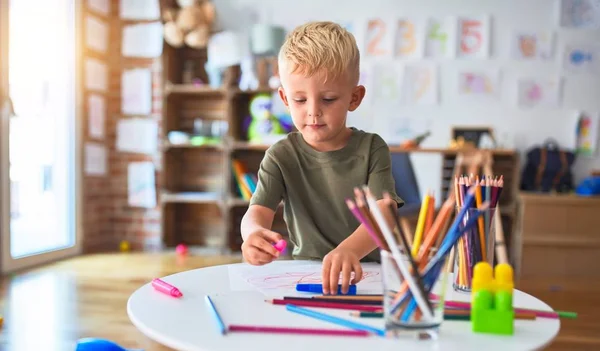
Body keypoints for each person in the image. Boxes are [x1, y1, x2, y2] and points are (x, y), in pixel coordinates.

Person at [240, 21, 404, 295]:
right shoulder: (280, 155)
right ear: (284, 98)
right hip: (304, 274)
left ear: (354, 97)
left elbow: (385, 213)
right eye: (300, 100)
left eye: (328, 99)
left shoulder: (372, 148)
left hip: (366, 276)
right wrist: (253, 235)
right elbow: (256, 212)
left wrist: (349, 250)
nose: (313, 112)